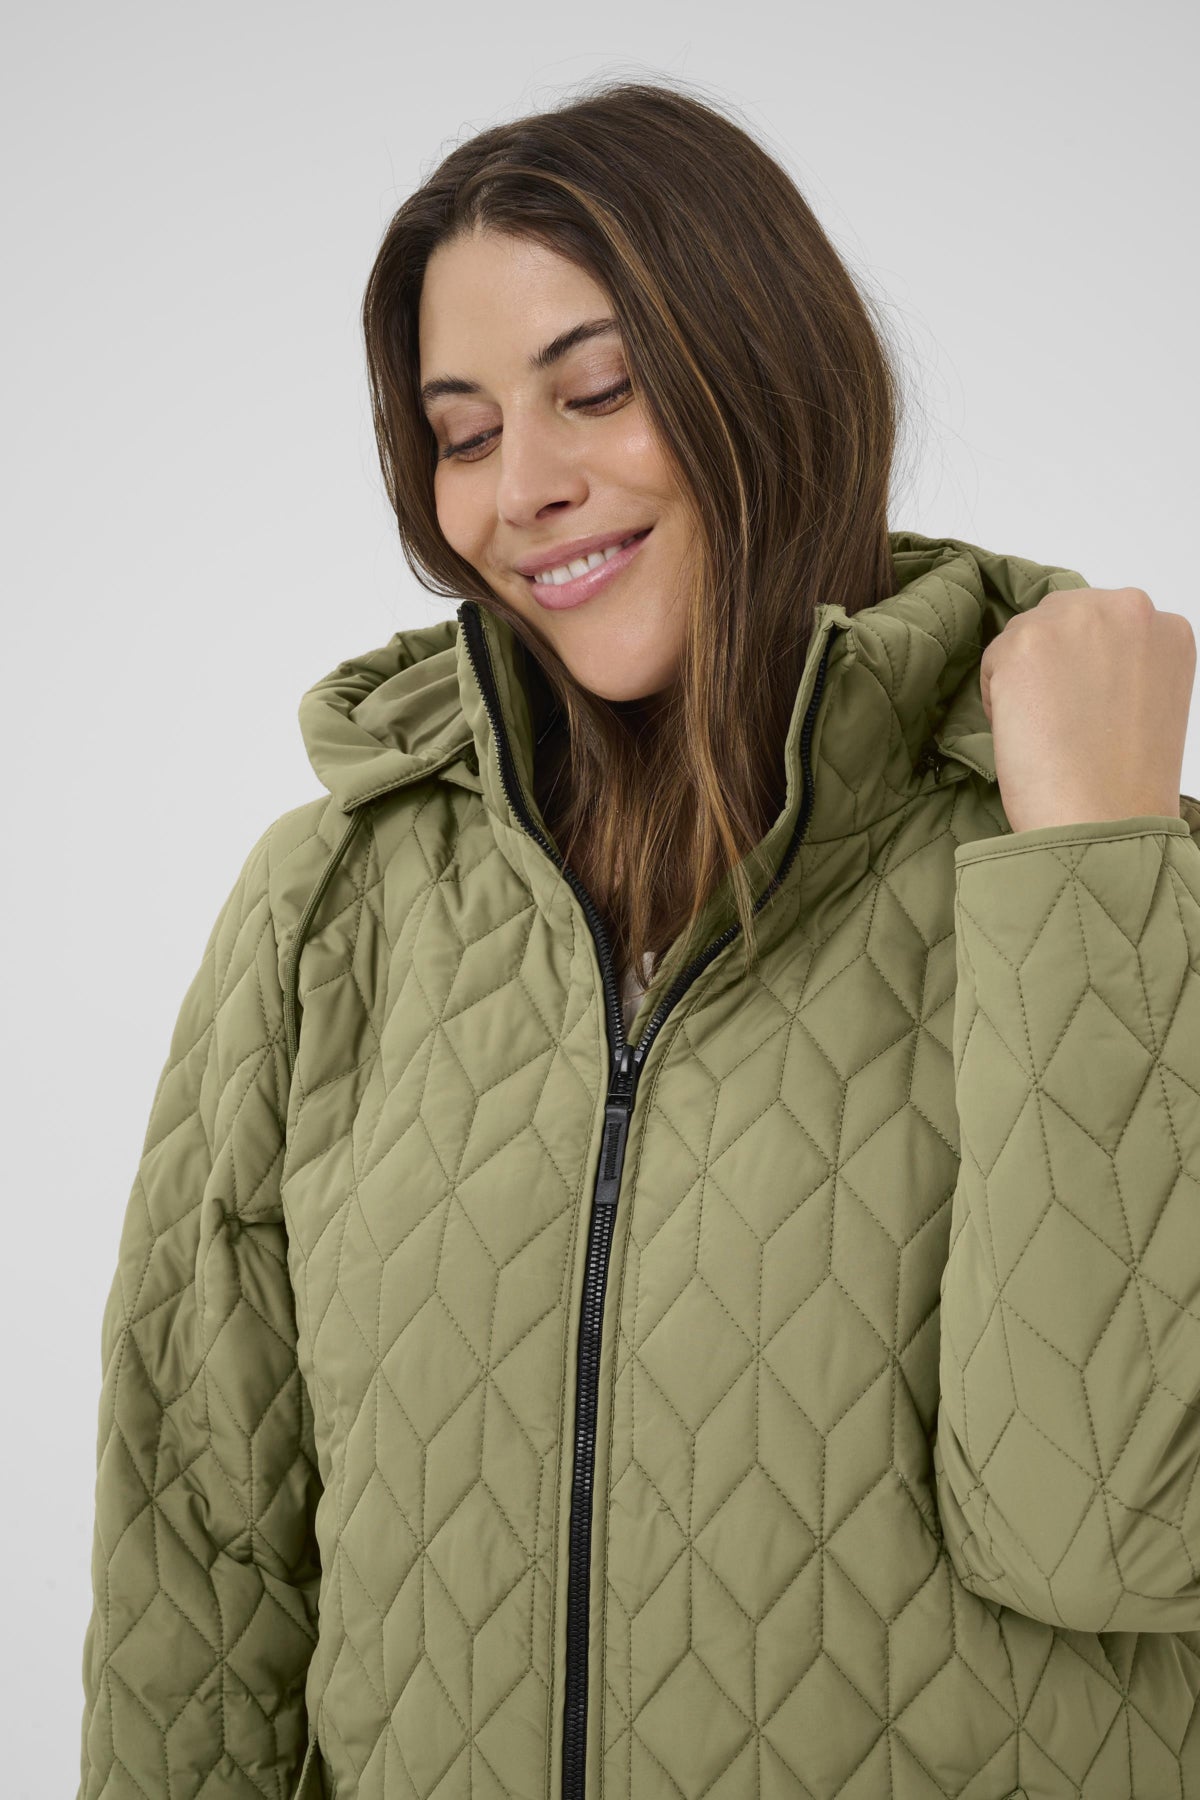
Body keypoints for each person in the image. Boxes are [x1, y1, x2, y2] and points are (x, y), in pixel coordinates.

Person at [75, 77, 1200, 1800]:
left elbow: (1120, 1529)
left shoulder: (1096, 883)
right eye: (462, 434)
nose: (523, 488)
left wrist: (1097, 868)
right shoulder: (333, 909)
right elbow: (201, 1568)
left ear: (770, 374)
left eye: (596, 392)